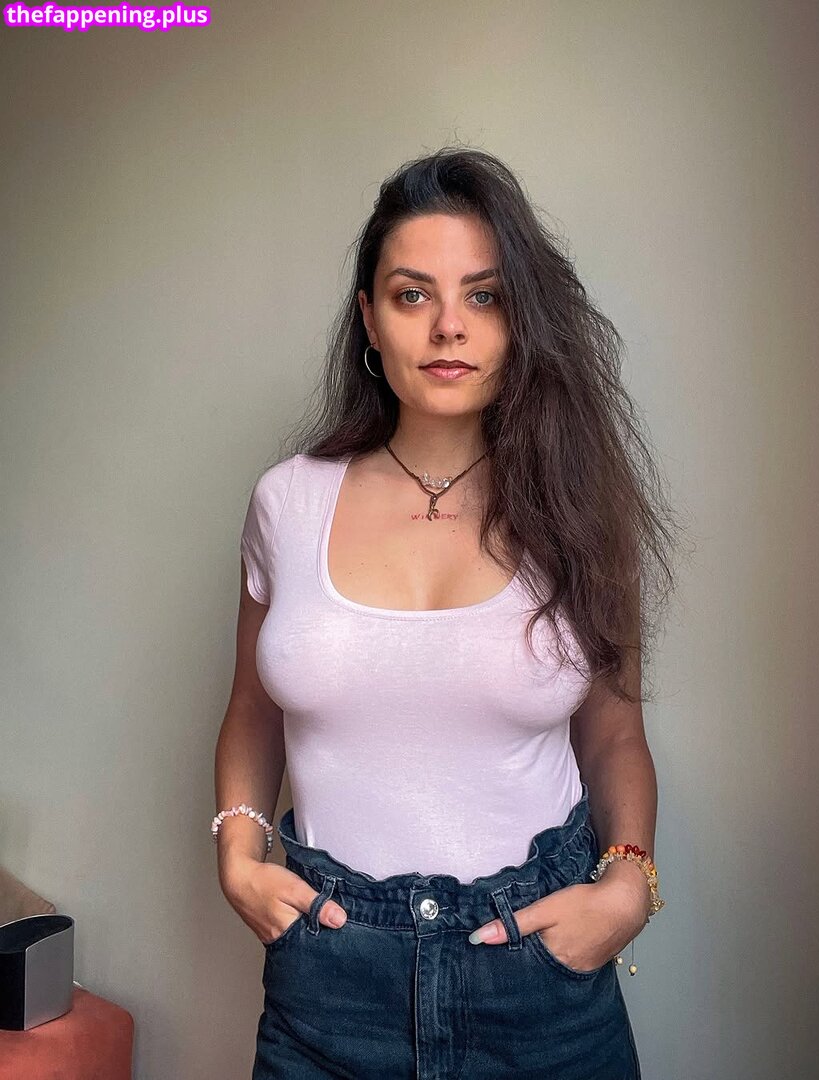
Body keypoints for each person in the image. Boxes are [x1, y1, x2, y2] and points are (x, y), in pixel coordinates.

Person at [213, 146, 681, 1079]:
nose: (448, 328)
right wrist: (238, 850)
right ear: (369, 319)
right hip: (330, 979)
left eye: (484, 296)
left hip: (538, 978)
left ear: (520, 318)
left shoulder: (579, 507)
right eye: (412, 295)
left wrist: (630, 882)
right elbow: (252, 711)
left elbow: (614, 735)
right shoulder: (287, 502)